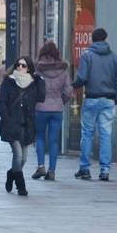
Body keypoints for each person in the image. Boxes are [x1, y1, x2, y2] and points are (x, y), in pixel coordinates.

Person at [72, 28, 117, 182]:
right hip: (108, 99)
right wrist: (115, 98)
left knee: (87, 133)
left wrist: (73, 85)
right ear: (105, 39)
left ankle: (85, 168)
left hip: (92, 98)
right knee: (106, 134)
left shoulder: (87, 55)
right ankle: (105, 170)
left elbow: (82, 77)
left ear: (92, 39)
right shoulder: (114, 57)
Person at [0, 57, 41, 196]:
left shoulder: (33, 84)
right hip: (12, 124)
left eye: (24, 65)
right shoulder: (9, 82)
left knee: (24, 159)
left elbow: (41, 97)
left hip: (27, 125)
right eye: (18, 65)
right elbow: (1, 102)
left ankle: (11, 174)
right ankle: (21, 186)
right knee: (18, 155)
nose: (20, 67)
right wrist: (6, 119)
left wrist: (40, 81)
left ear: (29, 68)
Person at [32, 42, 73, 181]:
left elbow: (33, 89)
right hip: (57, 109)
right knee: (54, 140)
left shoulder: (38, 70)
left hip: (40, 108)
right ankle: (52, 171)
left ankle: (41, 166)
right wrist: (61, 101)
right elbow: (68, 90)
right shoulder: (64, 70)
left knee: (39, 137)